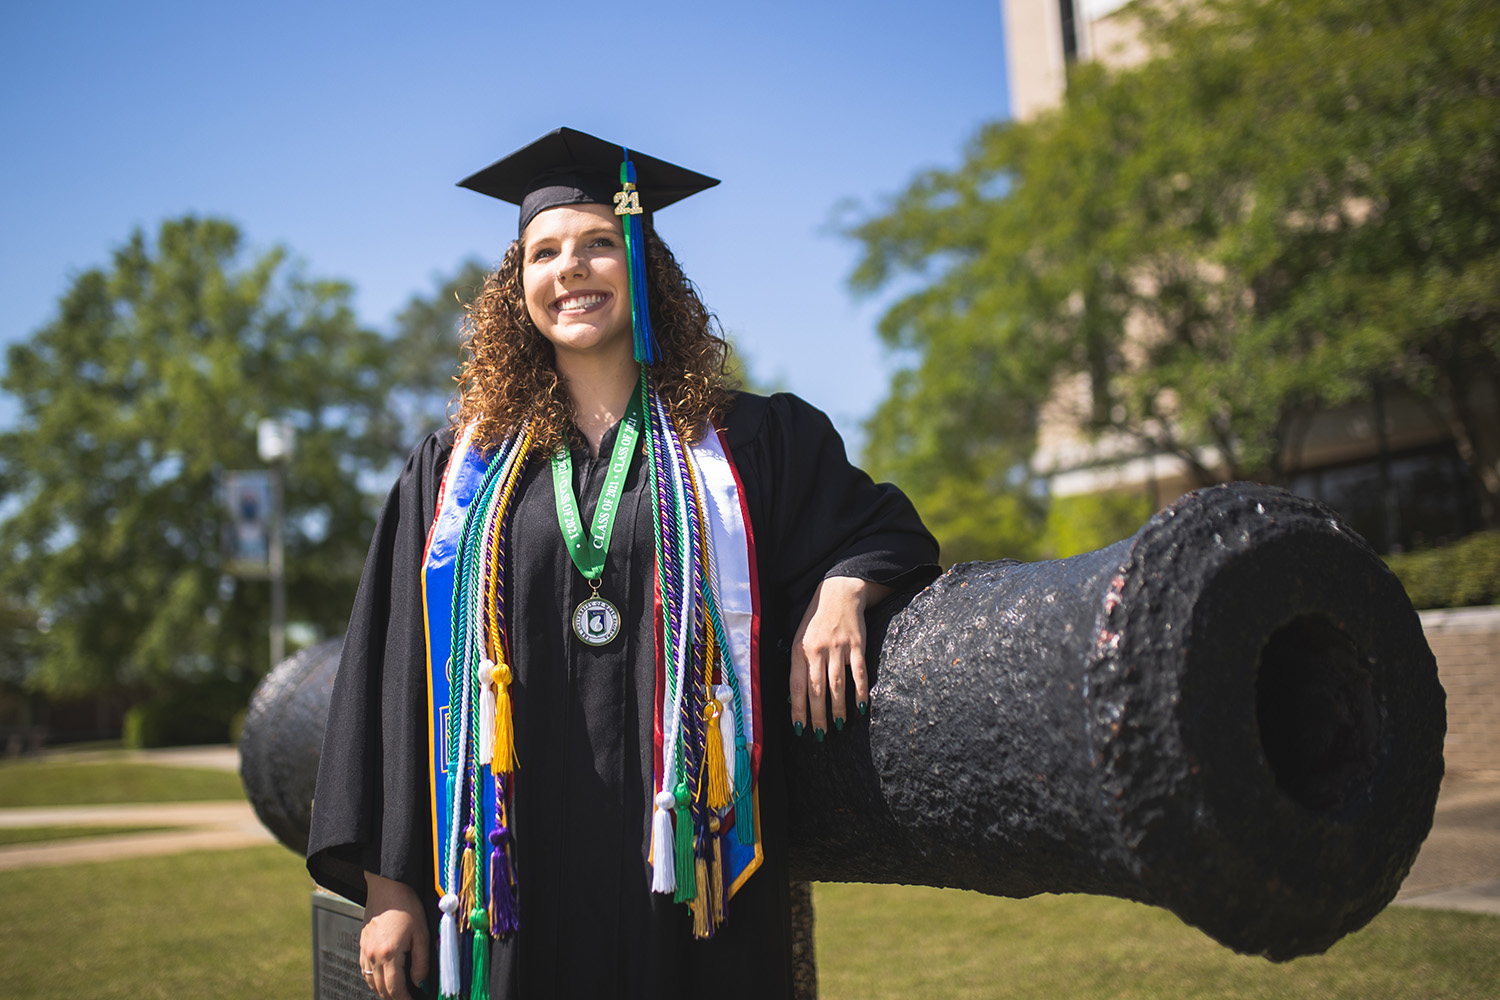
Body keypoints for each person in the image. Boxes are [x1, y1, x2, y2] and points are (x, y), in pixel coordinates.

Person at [306, 127, 939, 1000]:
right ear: (516, 286)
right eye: (546, 252)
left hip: (686, 882)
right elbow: (393, 666)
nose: (572, 268)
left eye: (601, 243)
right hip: (508, 879)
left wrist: (844, 589)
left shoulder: (748, 441)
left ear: (644, 268)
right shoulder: (457, 471)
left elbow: (881, 529)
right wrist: (387, 887)